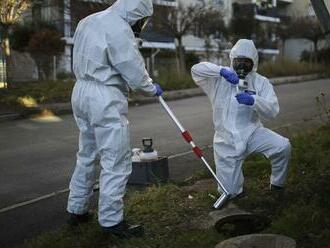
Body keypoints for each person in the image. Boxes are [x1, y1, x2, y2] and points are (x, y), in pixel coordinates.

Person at [66, 0, 163, 238]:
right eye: (141, 20)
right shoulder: (119, 27)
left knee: (87, 154)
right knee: (116, 160)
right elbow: (131, 68)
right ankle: (111, 222)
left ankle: (76, 209)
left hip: (80, 90)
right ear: (137, 12)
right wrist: (151, 87)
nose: (140, 24)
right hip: (104, 96)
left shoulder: (88, 21)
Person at [191, 39, 291, 200]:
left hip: (252, 133)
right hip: (225, 141)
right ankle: (235, 192)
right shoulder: (217, 79)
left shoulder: (260, 82)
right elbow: (196, 70)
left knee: (282, 147)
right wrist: (221, 71)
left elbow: (273, 110)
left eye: (247, 61)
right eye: (239, 60)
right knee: (228, 193)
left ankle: (277, 185)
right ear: (232, 60)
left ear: (254, 62)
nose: (242, 65)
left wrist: (255, 100)